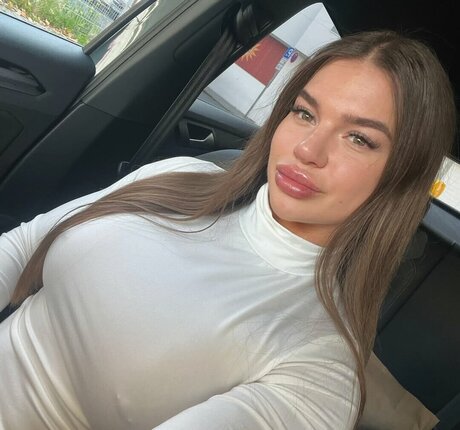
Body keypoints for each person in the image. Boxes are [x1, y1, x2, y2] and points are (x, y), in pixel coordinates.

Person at [0, 30, 456, 430]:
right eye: (304, 113)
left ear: (401, 176)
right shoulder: (180, 175)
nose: (307, 149)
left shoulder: (321, 368)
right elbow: (22, 246)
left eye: (359, 138)